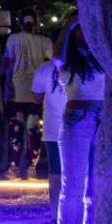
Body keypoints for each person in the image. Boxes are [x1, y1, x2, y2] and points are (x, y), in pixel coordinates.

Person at [53, 20, 103, 224]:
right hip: (78, 120)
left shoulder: (103, 55)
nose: (87, 29)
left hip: (104, 121)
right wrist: (70, 24)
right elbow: (57, 55)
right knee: (73, 186)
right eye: (81, 27)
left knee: (96, 187)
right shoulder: (68, 61)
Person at [0, 10, 53, 178]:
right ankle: (32, 167)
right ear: (35, 23)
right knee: (33, 129)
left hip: (17, 91)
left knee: (16, 129)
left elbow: (7, 62)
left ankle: (13, 167)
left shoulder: (13, 39)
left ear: (20, 23)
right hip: (36, 91)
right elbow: (55, 60)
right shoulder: (44, 41)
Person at [31, 53, 67, 214]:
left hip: (54, 128)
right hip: (81, 126)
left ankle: (55, 213)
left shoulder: (44, 69)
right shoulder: (84, 66)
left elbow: (37, 97)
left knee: (56, 172)